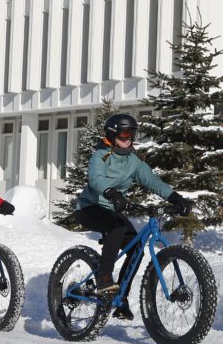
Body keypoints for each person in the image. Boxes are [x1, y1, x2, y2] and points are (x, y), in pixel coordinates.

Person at [75, 113, 191, 316]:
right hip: (90, 208)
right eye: (124, 133)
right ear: (112, 134)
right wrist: (111, 193)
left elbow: (152, 181)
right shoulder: (100, 156)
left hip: (112, 210)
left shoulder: (133, 161)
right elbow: (95, 178)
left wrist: (175, 197)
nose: (129, 138)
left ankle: (120, 299)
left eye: (132, 134)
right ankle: (104, 277)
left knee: (137, 248)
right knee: (117, 226)